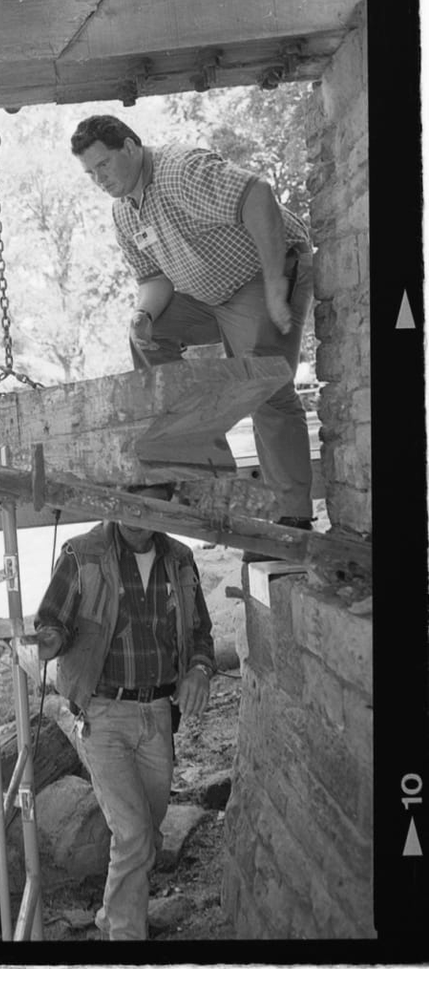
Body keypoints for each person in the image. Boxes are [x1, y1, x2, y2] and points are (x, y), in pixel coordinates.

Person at [70, 114, 315, 530]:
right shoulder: (123, 213)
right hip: (206, 296)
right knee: (147, 336)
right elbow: (153, 280)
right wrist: (143, 315)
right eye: (90, 174)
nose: (100, 180)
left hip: (261, 272)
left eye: (104, 166)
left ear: (129, 146)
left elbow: (258, 195)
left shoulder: (180, 171)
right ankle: (186, 463)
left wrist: (276, 285)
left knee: (264, 383)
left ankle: (291, 518)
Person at [32, 485, 216, 941]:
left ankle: (110, 918)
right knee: (134, 834)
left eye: (147, 501)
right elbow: (49, 622)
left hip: (157, 713)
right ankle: (126, 941)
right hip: (102, 714)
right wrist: (49, 641)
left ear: (167, 501)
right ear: (111, 499)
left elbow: (200, 636)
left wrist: (198, 670)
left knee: (145, 837)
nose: (134, 513)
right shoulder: (83, 554)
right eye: (125, 500)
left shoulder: (180, 560)